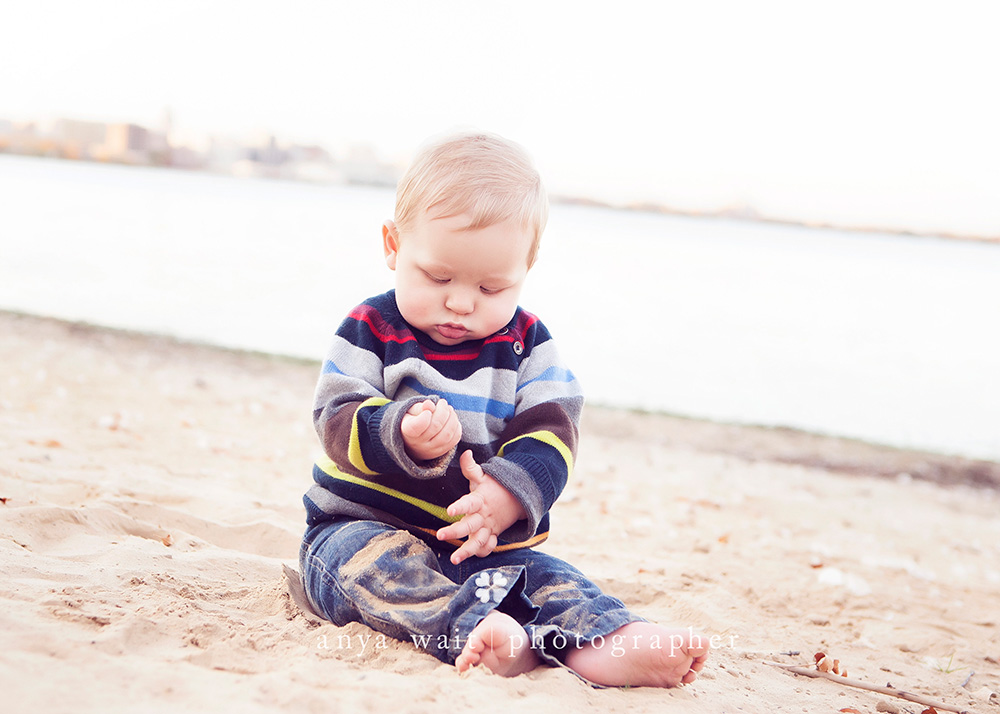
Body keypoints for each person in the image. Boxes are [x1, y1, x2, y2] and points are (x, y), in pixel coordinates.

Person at [298, 131, 708, 687]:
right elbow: (335, 414)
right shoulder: (371, 329)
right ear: (393, 245)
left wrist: (509, 495)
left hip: (485, 550)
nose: (461, 302)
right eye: (437, 277)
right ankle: (477, 629)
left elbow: (553, 431)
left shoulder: (528, 346)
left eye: (492, 288)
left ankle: (605, 640)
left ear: (526, 268)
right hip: (364, 524)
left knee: (550, 581)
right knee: (369, 571)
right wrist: (398, 431)